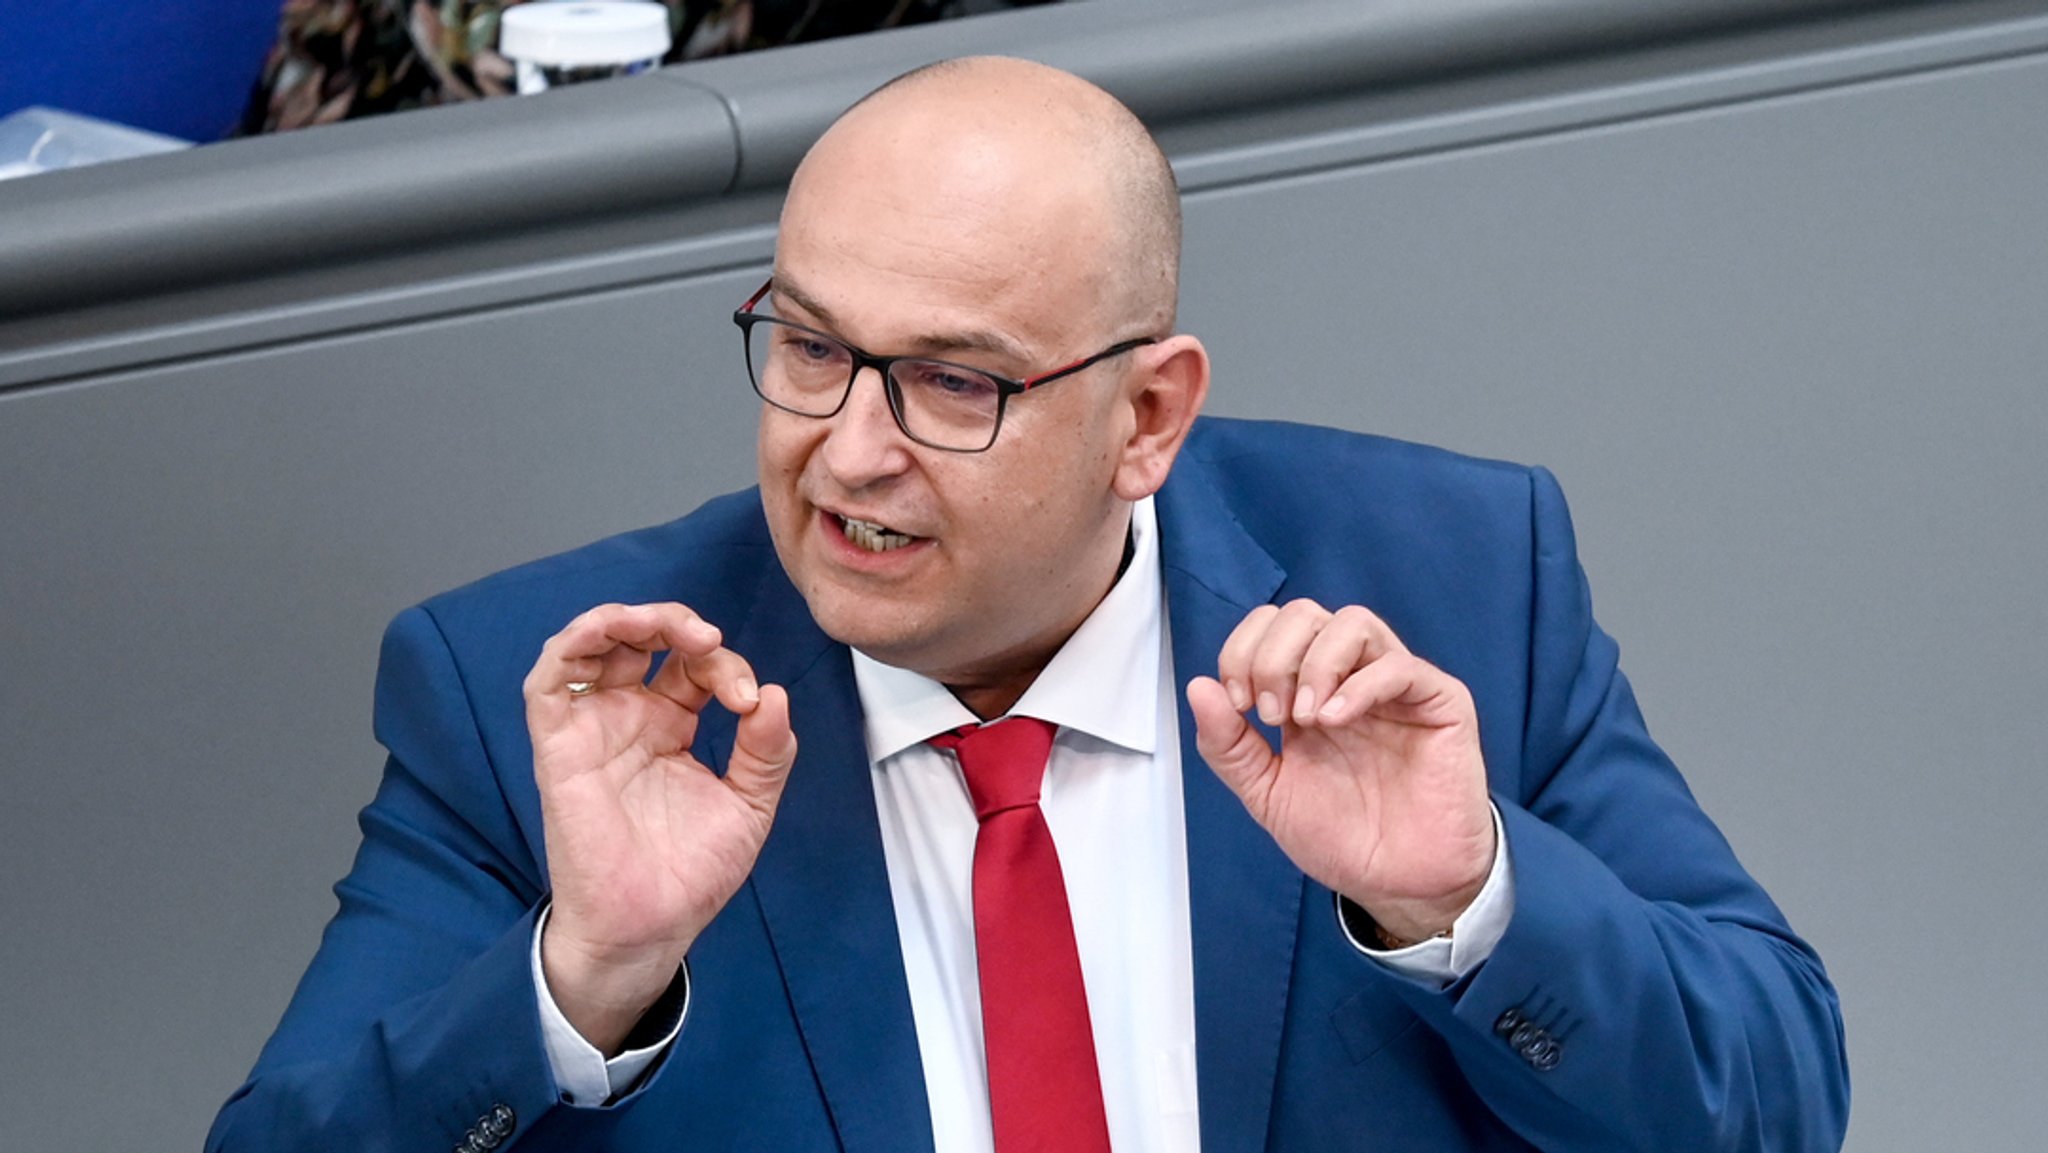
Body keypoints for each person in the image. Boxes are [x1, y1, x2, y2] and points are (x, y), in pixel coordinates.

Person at [209, 56, 1848, 1153]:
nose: (847, 451)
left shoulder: (1453, 579)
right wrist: (581, 977)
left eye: (948, 380)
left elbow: (1775, 1098)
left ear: (1145, 416)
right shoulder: (549, 698)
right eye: (808, 346)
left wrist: (1469, 897)